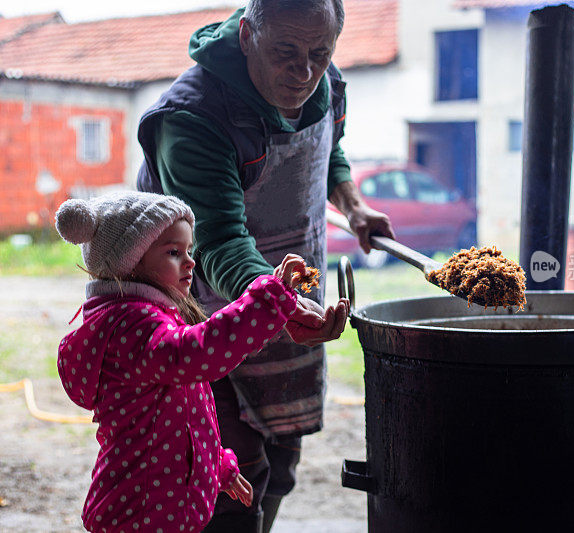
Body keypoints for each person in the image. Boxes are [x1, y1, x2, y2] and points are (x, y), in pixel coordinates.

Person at [136, 0, 394, 531]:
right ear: (248, 32)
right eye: (286, 52)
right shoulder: (193, 118)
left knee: (279, 464)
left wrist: (353, 205)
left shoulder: (324, 80)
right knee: (229, 471)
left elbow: (329, 147)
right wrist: (277, 304)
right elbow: (220, 243)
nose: (303, 72)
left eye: (320, 53)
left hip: (283, 295)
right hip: (197, 309)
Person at [54, 191, 330, 532]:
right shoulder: (133, 329)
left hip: (154, 505)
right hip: (141, 511)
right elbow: (200, 352)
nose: (190, 262)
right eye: (173, 252)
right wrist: (267, 298)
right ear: (131, 260)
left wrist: (217, 467)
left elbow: (176, 419)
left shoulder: (148, 322)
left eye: (189, 250)